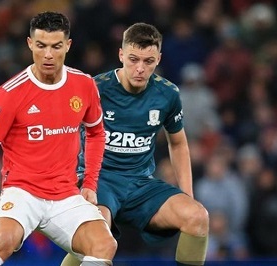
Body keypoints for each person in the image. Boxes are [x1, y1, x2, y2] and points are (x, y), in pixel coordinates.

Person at [0, 11, 117, 266]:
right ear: (30, 44)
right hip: (22, 192)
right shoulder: (10, 94)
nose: (48, 55)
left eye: (56, 46)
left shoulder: (83, 85)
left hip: (65, 194)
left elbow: (96, 132)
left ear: (68, 45)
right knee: (2, 241)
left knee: (105, 244)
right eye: (41, 46)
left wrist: (90, 184)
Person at [61, 22, 209, 266]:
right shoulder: (95, 89)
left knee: (197, 216)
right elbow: (63, 133)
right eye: (133, 59)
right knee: (98, 236)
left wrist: (187, 195)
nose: (140, 68)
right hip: (99, 180)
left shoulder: (167, 94)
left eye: (148, 61)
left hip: (140, 184)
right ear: (121, 55)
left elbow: (178, 144)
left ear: (158, 59)